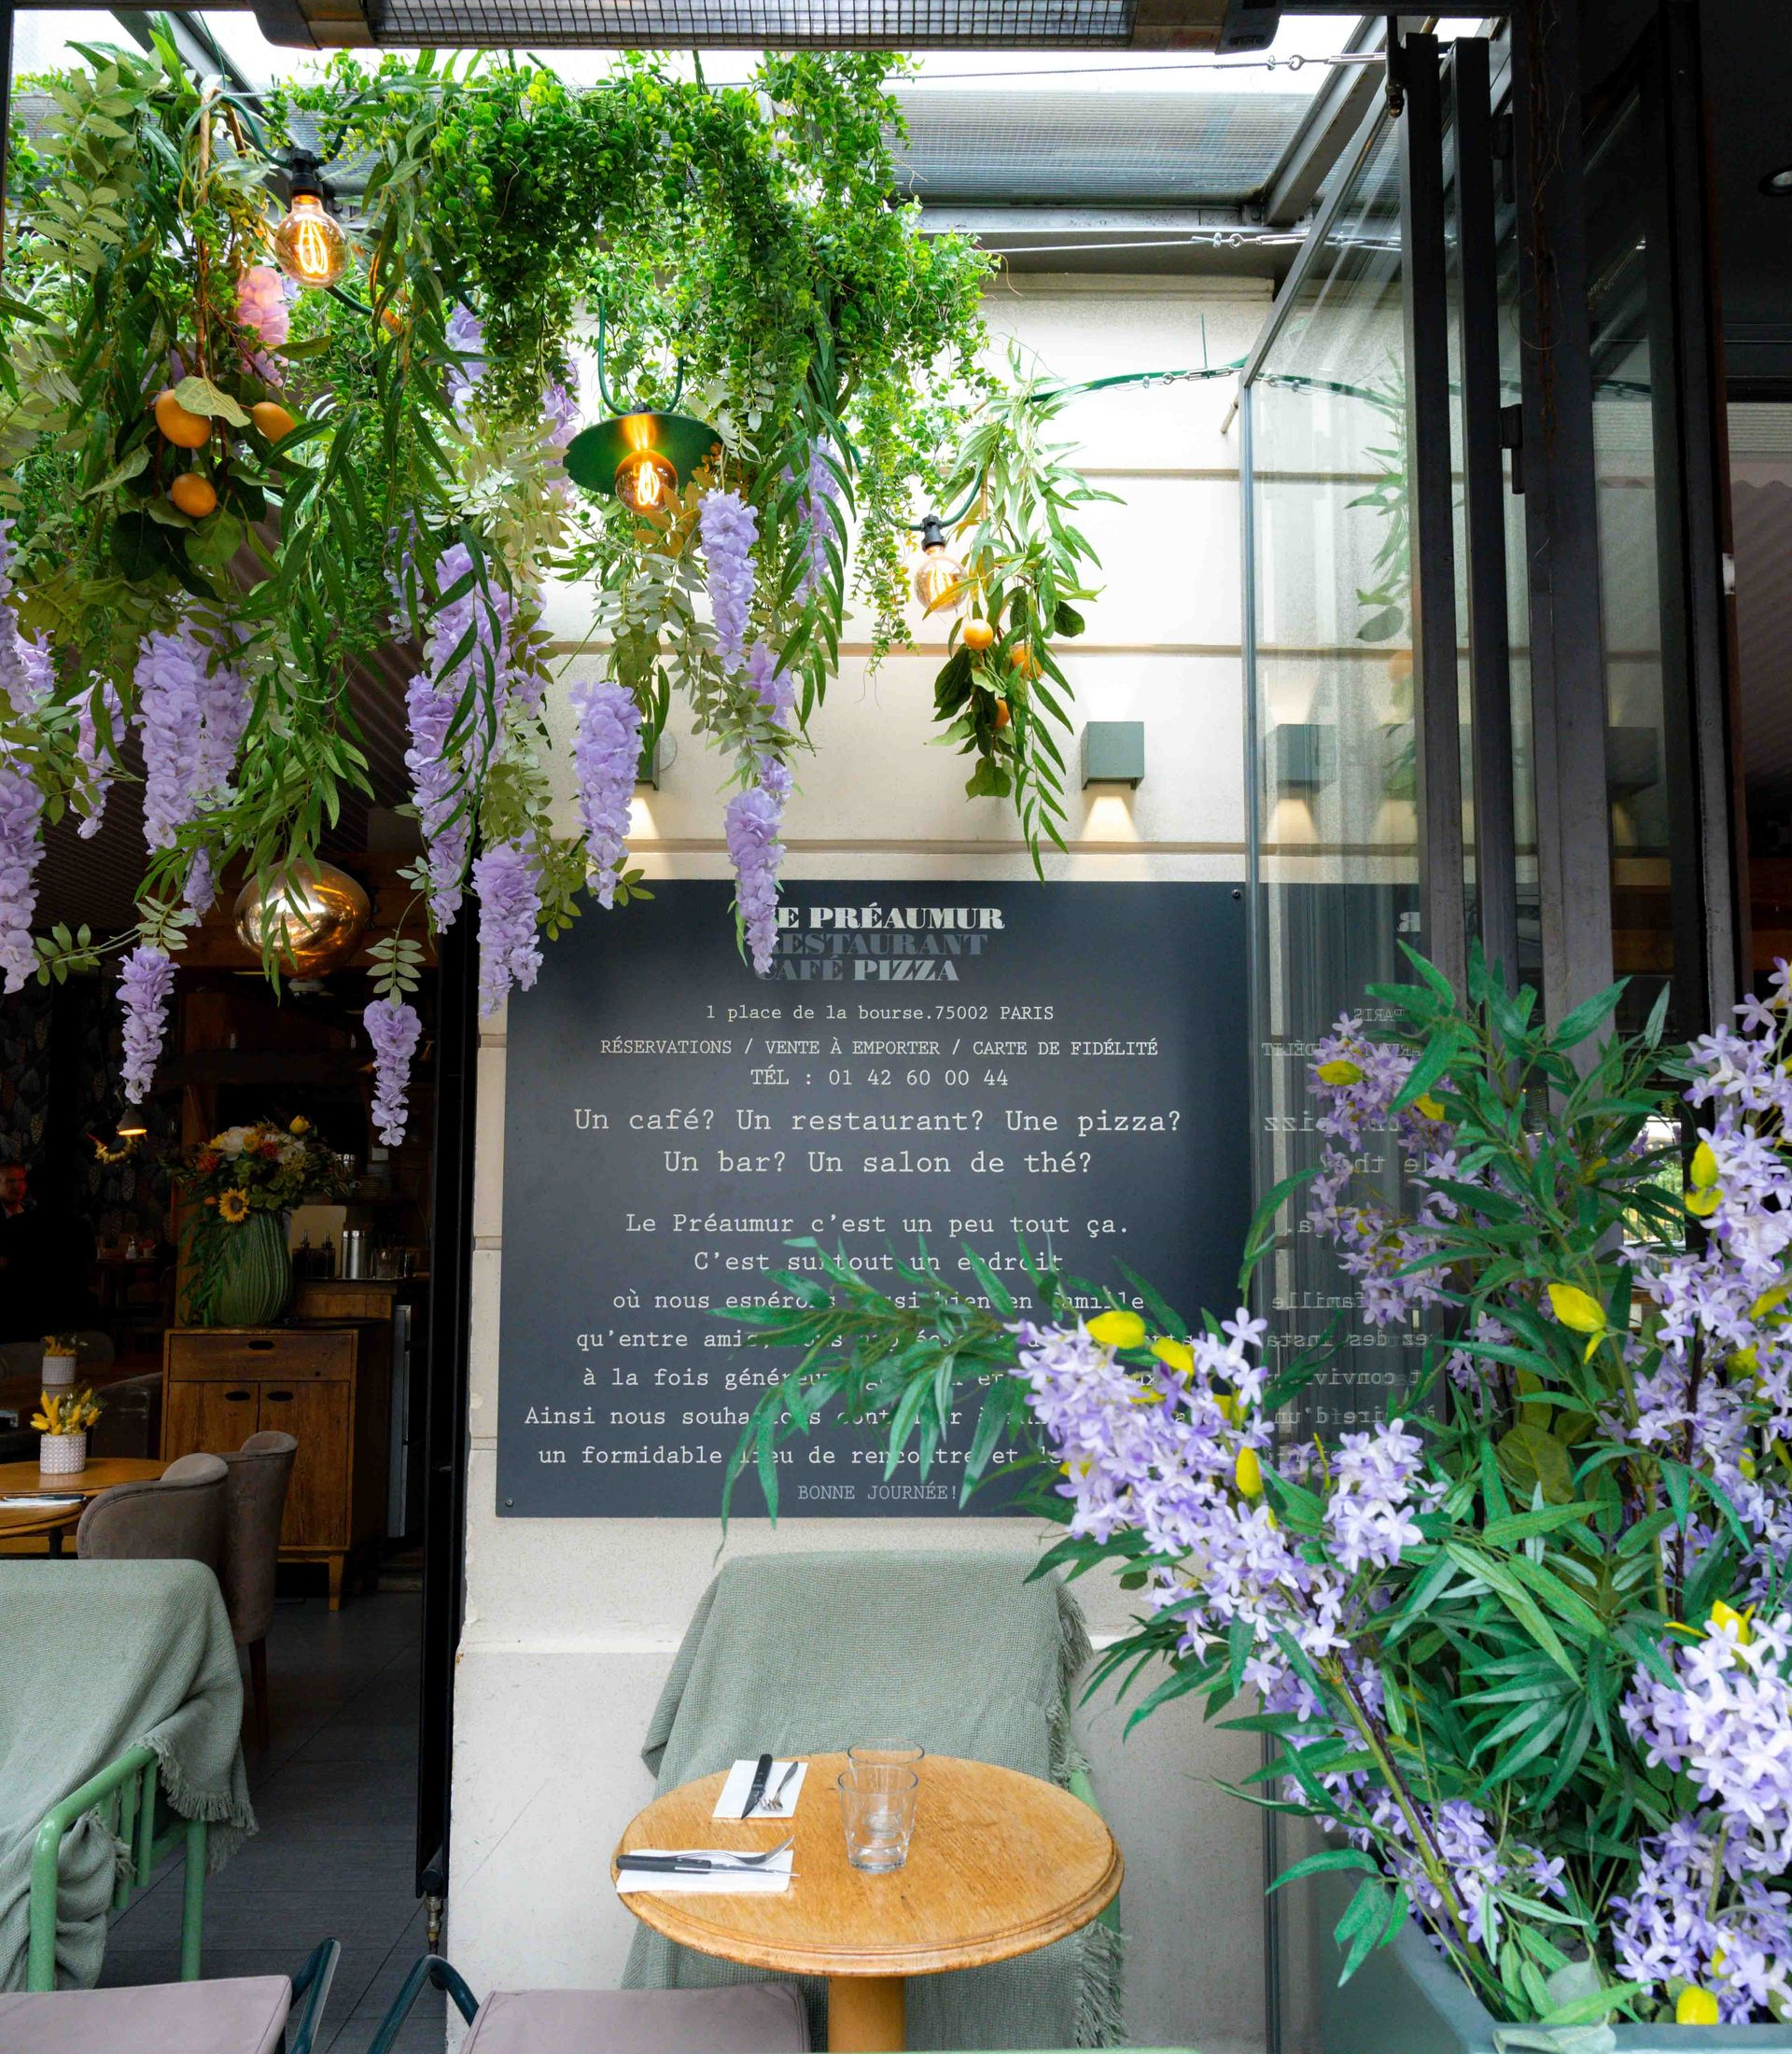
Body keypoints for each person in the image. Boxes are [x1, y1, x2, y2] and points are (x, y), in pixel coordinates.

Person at [0, 1158, 94, 1342]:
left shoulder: (17, 1224)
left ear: (31, 1190)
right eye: (11, 1181)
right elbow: (88, 1269)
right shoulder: (81, 1225)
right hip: (71, 1309)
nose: (17, 1186)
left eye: (21, 1181)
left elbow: (4, 1264)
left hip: (23, 1311)